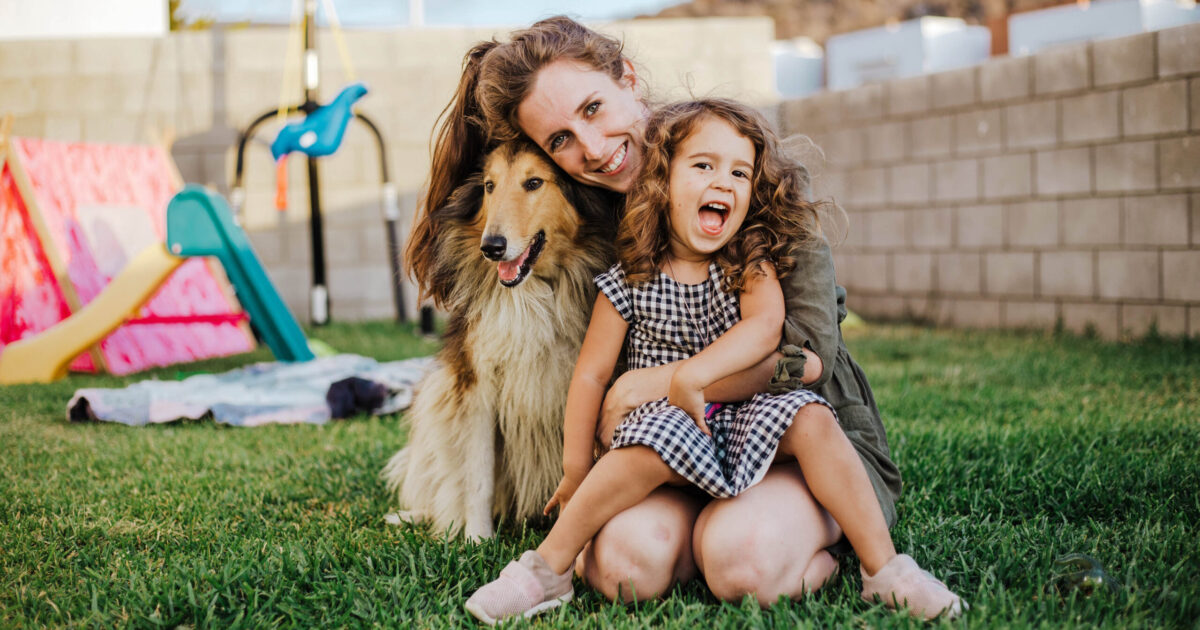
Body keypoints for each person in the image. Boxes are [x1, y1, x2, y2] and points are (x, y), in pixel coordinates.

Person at [410, 15, 966, 622]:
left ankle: (859, 564)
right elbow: (583, 366)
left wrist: (656, 383)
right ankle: (562, 568)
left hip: (791, 441)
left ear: (628, 79)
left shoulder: (744, 186)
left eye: (593, 108)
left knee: (742, 565)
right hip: (671, 445)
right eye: (561, 140)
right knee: (623, 570)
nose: (591, 148)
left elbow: (805, 362)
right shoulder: (597, 222)